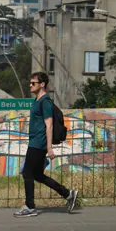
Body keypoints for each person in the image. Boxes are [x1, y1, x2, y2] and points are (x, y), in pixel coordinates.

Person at [13, 72, 79, 218]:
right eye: (30, 83)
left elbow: (49, 125)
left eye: (33, 83)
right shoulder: (37, 101)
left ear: (42, 84)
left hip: (39, 143)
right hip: (35, 141)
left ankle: (30, 207)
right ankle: (68, 194)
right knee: (37, 175)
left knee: (27, 173)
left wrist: (49, 148)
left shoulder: (45, 102)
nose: (30, 85)